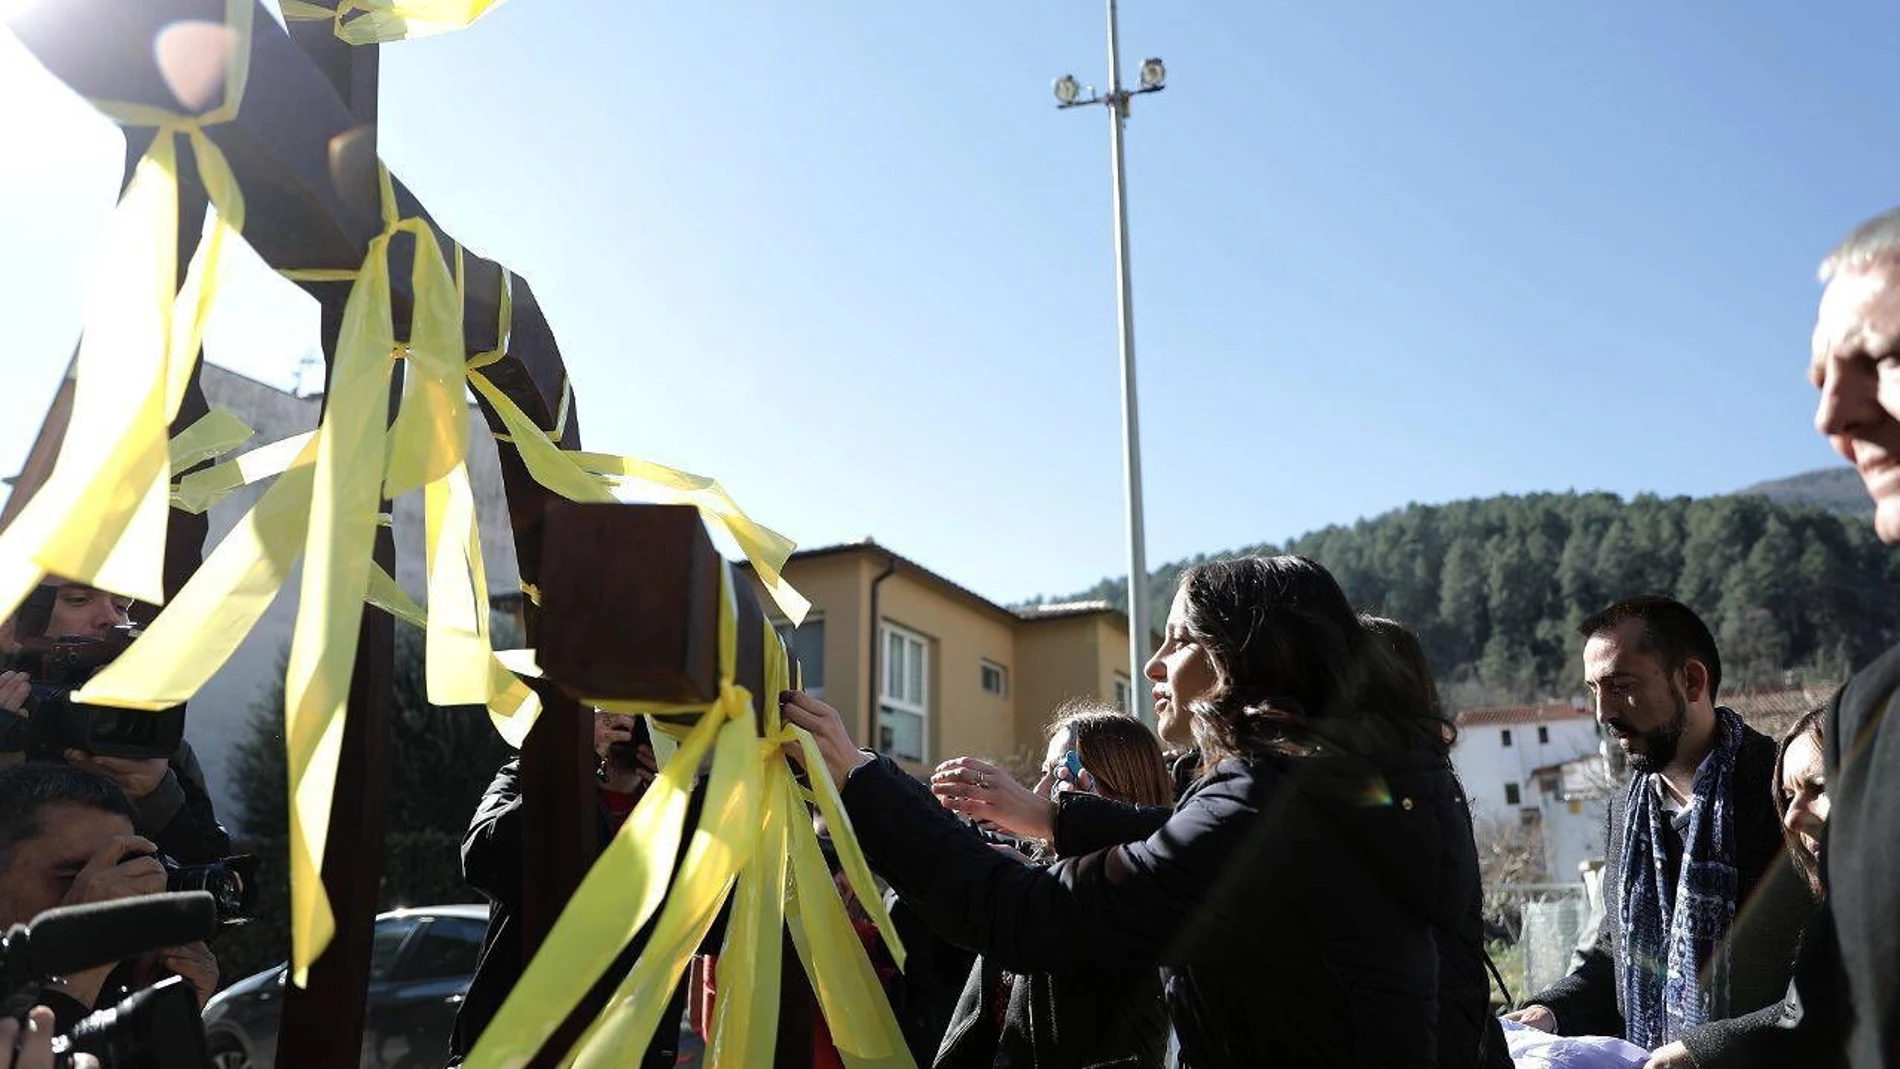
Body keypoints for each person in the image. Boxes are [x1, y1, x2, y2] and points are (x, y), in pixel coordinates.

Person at [784, 554, 1487, 1068]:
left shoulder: (1265, 802)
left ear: (1247, 656)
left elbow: (1036, 914)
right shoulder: (1340, 792)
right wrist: (1054, 819)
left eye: (1180, 639)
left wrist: (860, 775)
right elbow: (1179, 839)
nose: (1153, 664)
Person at [1506, 596, 1810, 1068]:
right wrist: (1551, 1011)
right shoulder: (1624, 813)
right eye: (1593, 690)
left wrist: (1703, 1052)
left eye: (1621, 685)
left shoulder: (1787, 796)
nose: (1603, 711)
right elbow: (1616, 957)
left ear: (1691, 680)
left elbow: (1834, 977)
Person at [932, 701, 1171, 1069]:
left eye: (1060, 775)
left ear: (1123, 793)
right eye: (1043, 773)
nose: (1039, 790)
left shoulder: (1149, 907)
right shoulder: (1034, 880)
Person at [450, 709, 688, 1068]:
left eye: (634, 718)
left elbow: (716, 922)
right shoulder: (528, 775)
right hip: (519, 1048)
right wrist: (571, 764)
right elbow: (482, 860)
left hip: (631, 1050)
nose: (619, 728)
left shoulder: (678, 809)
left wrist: (680, 790)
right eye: (606, 715)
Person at [0, 580, 228, 864]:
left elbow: (211, 880)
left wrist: (156, 794)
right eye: (78, 599)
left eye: (122, 606)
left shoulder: (153, 740)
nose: (111, 618)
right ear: (8, 626)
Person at [0, 762, 218, 1031]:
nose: (105, 895)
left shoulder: (118, 985)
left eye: (121, 872)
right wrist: (75, 977)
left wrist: (154, 1024)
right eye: (72, 877)